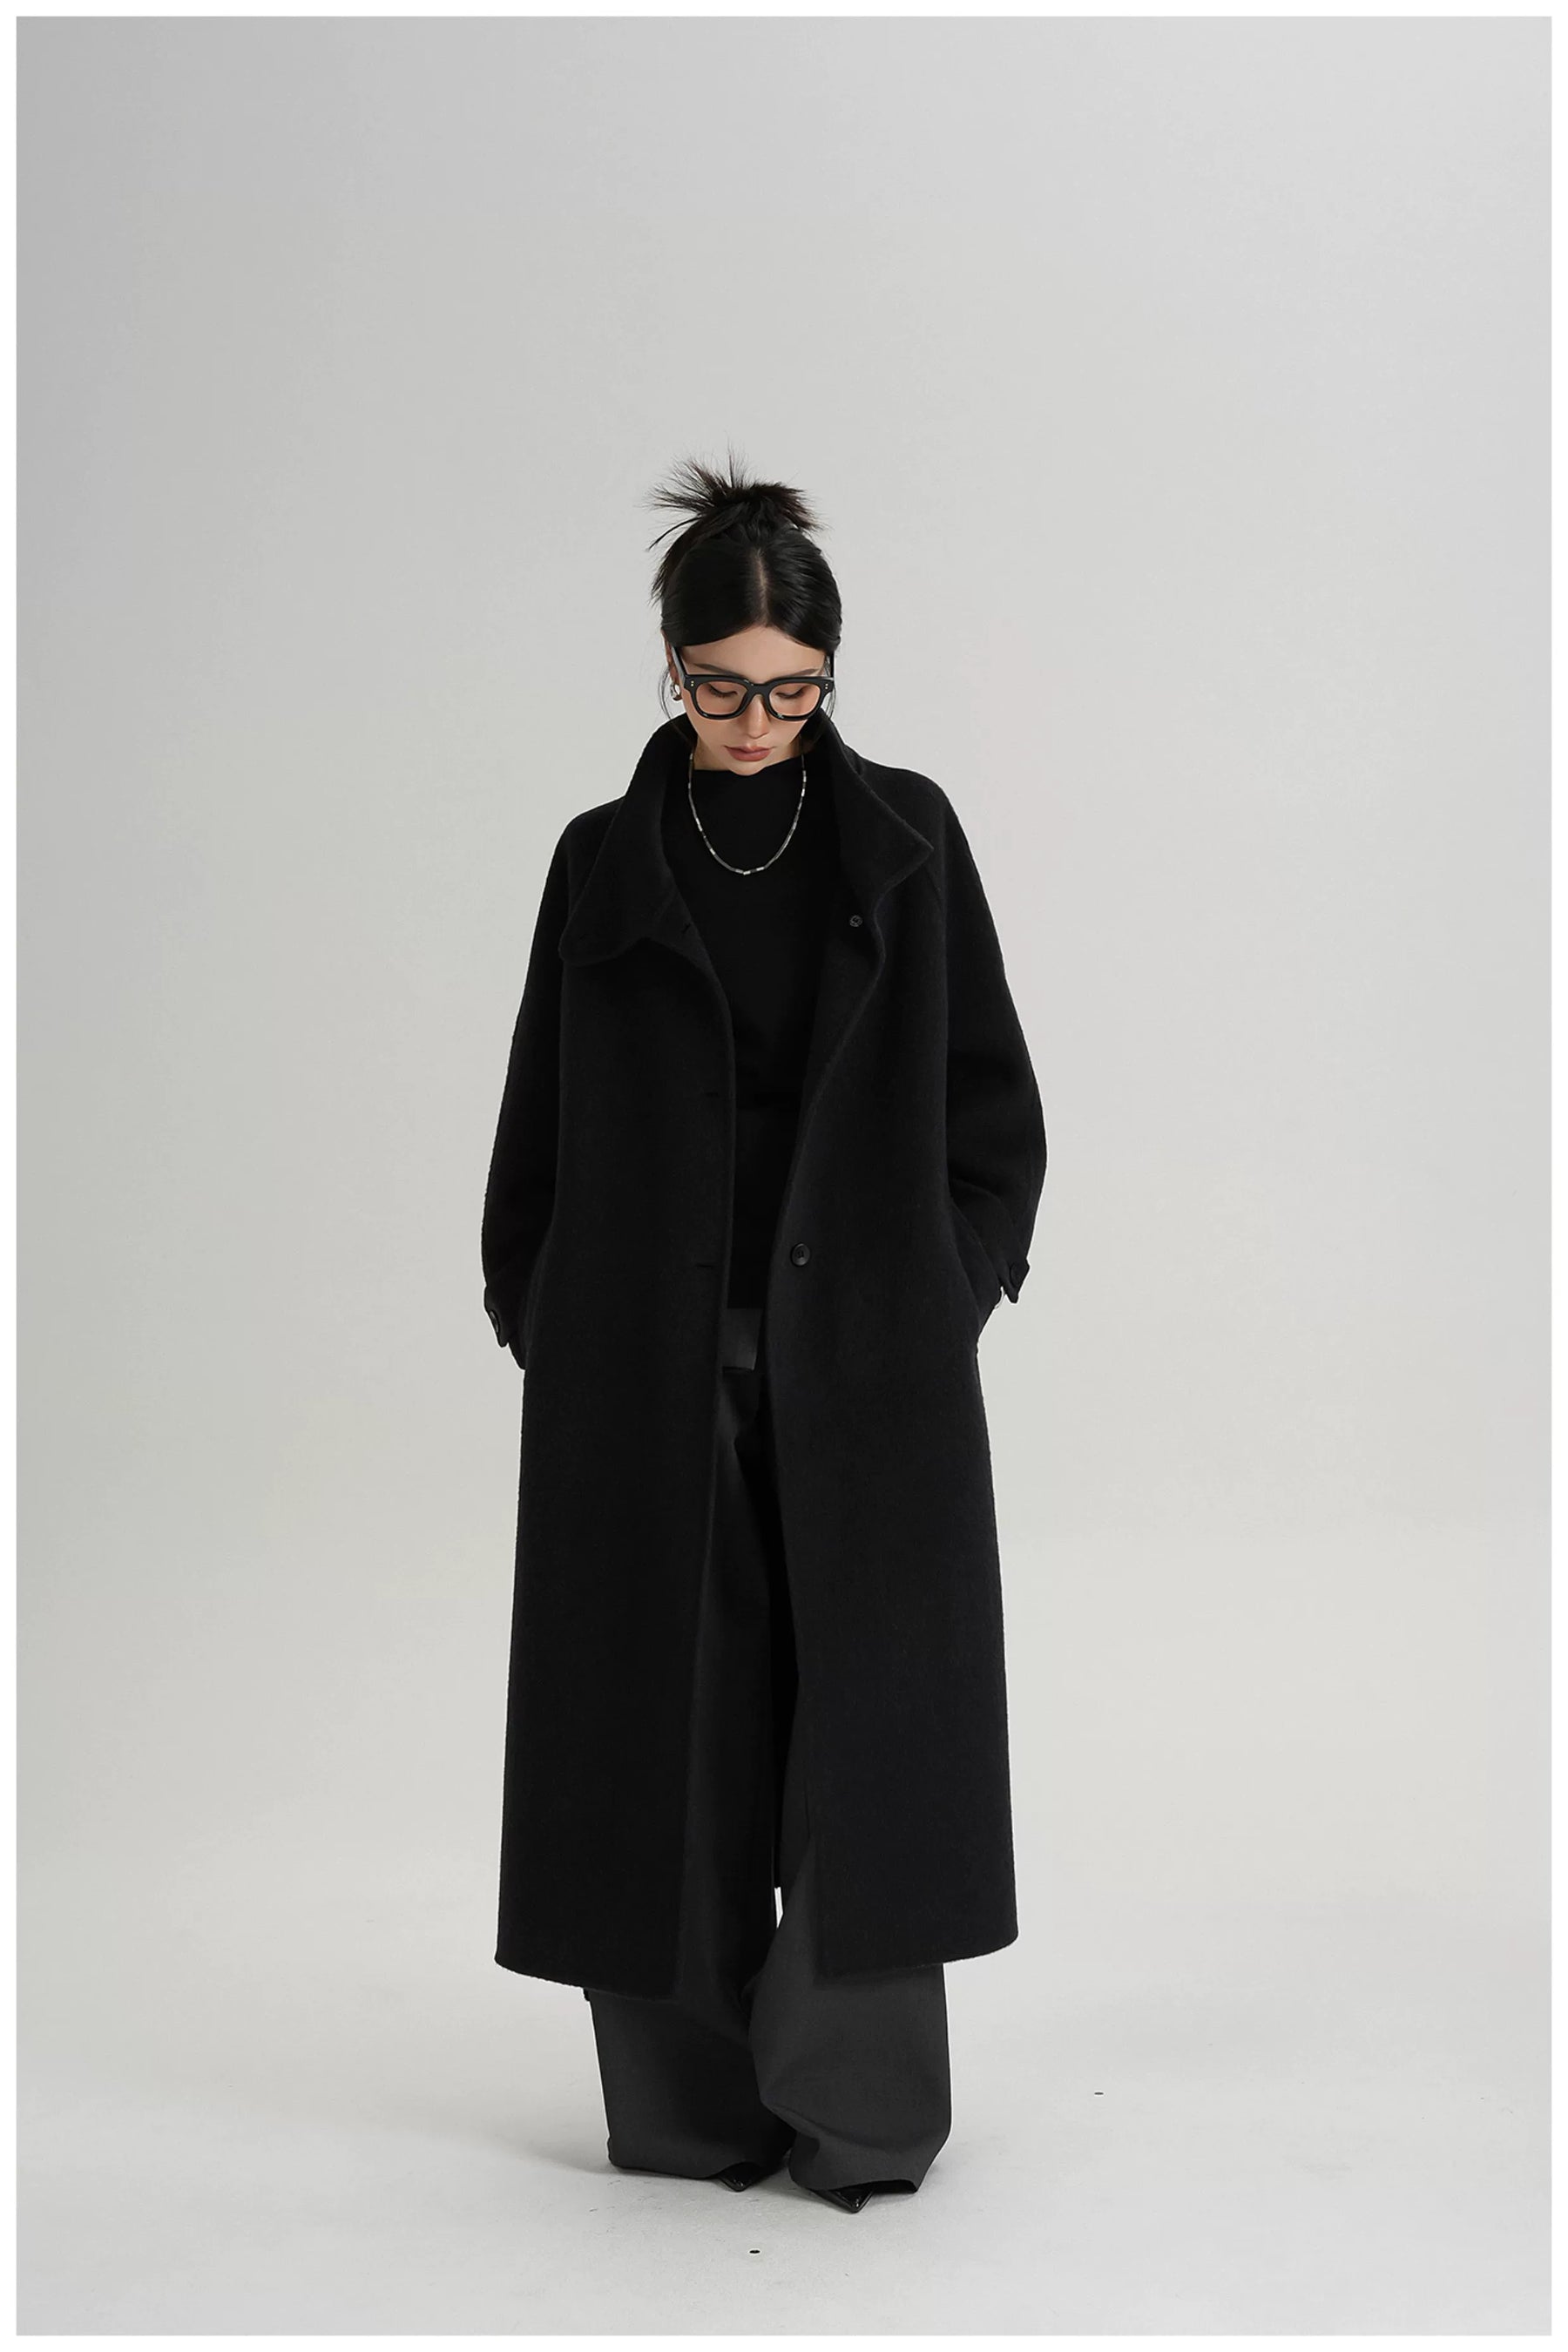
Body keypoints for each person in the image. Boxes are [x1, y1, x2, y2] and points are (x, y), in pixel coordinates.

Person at [481, 454, 1047, 2213]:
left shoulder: (907, 841)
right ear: (669, 668)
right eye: (720, 688)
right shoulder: (602, 862)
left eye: (791, 692)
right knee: (664, 1743)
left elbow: (993, 1115)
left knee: (862, 1754)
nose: (753, 725)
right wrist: (546, 1310)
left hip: (867, 1375)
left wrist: (945, 1289)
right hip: (643, 1384)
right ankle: (688, 2115)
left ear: (830, 675)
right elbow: (536, 1124)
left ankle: (860, 2121)